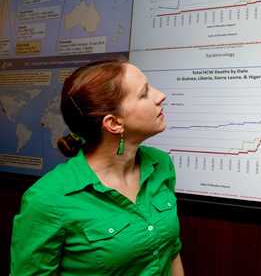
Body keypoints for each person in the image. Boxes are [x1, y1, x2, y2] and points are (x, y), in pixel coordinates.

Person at [11, 59, 184, 275]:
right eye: (144, 93)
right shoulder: (48, 199)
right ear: (114, 123)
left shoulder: (161, 165)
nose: (160, 96)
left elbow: (171, 252)